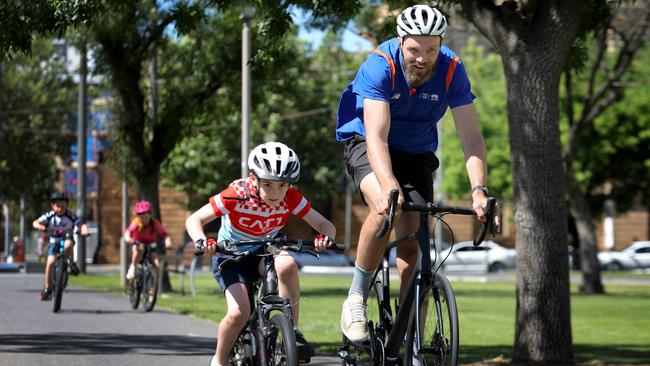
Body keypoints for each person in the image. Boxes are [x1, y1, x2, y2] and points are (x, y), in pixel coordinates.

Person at [335, 4, 500, 342]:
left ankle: (411, 341)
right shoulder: (380, 65)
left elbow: (471, 139)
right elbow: (377, 137)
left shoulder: (453, 70)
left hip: (417, 151)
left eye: (431, 49)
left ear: (440, 44)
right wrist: (389, 185)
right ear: (400, 41)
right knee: (385, 207)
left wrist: (479, 191)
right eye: (414, 49)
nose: (422, 58)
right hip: (367, 140)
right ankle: (355, 297)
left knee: (415, 246)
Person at [186, 141, 336, 366]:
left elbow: (325, 224)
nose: (276, 193)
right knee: (239, 313)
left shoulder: (290, 197)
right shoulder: (236, 193)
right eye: (268, 185)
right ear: (254, 179)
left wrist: (325, 237)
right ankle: (219, 360)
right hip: (230, 255)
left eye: (283, 185)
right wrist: (201, 241)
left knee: (286, 264)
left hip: (264, 251)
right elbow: (194, 219)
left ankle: (293, 332)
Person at [33, 192, 89, 301]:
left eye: (63, 206)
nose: (60, 209)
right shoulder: (50, 215)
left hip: (67, 238)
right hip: (54, 241)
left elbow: (81, 224)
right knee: (50, 262)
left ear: (67, 206)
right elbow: (36, 222)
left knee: (69, 244)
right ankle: (48, 288)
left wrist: (84, 231)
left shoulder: (70, 216)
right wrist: (42, 227)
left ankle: (71, 264)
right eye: (57, 206)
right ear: (53, 206)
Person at [125, 200, 173, 280]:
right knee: (140, 248)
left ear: (150, 215)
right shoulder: (136, 223)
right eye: (142, 217)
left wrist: (168, 242)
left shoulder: (154, 223)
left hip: (150, 245)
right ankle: (132, 268)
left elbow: (164, 235)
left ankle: (152, 286)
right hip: (137, 244)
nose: (144, 220)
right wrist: (129, 239)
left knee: (157, 263)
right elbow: (128, 232)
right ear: (138, 217)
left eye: (146, 217)